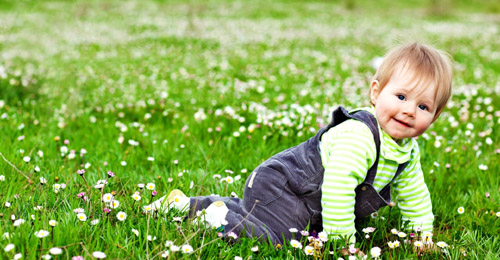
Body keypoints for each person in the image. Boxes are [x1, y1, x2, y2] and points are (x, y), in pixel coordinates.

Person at [148, 42, 453, 245]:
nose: (409, 110)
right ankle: (212, 216)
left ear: (435, 116)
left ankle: (189, 203)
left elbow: (415, 195)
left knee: (281, 226)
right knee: (276, 238)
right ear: (376, 93)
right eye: (401, 96)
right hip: (285, 186)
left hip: (309, 203)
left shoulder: (406, 152)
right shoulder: (361, 137)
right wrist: (341, 243)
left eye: (423, 106)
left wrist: (421, 237)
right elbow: (337, 187)